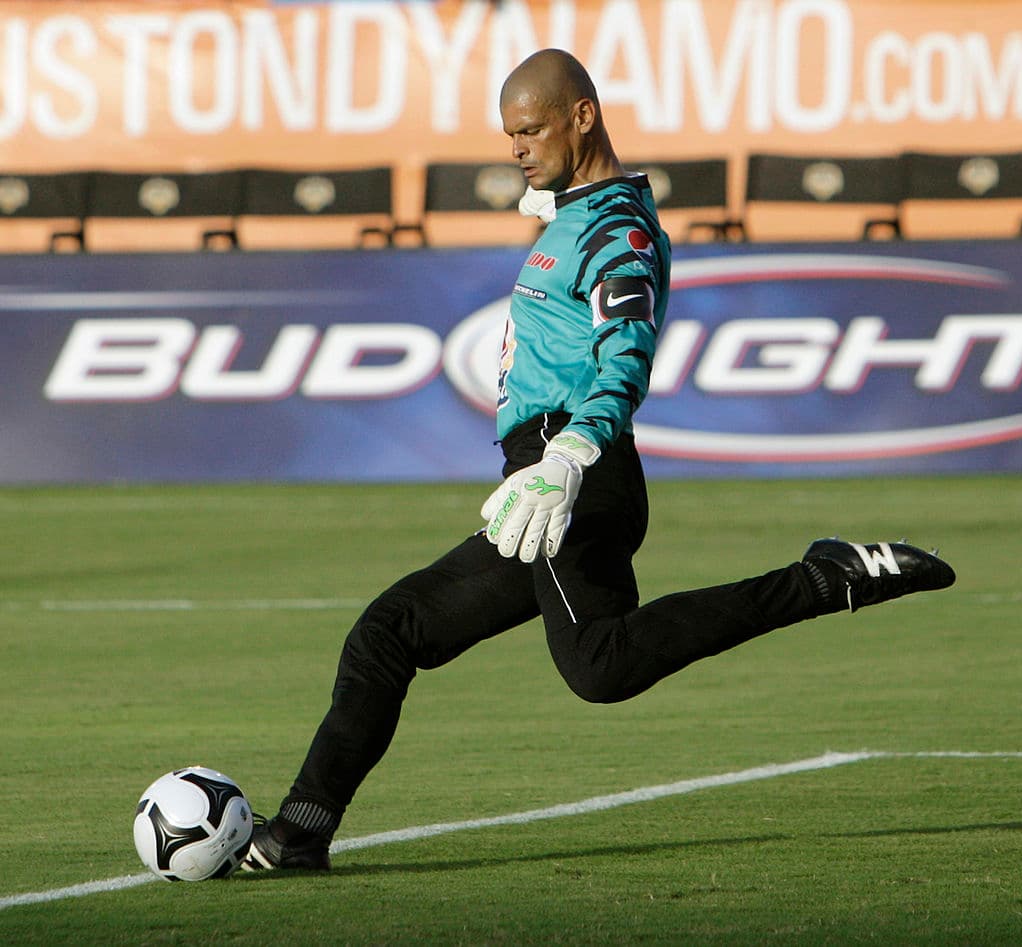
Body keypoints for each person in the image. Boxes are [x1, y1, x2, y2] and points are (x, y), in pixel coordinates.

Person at [241, 49, 955, 872]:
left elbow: (626, 353)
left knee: (601, 666)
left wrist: (572, 453)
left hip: (573, 469)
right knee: (388, 632)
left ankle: (823, 579)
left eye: (531, 129)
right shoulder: (578, 217)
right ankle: (300, 832)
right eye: (508, 134)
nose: (515, 147)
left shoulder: (616, 232)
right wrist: (556, 201)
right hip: (542, 479)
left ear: (584, 116)